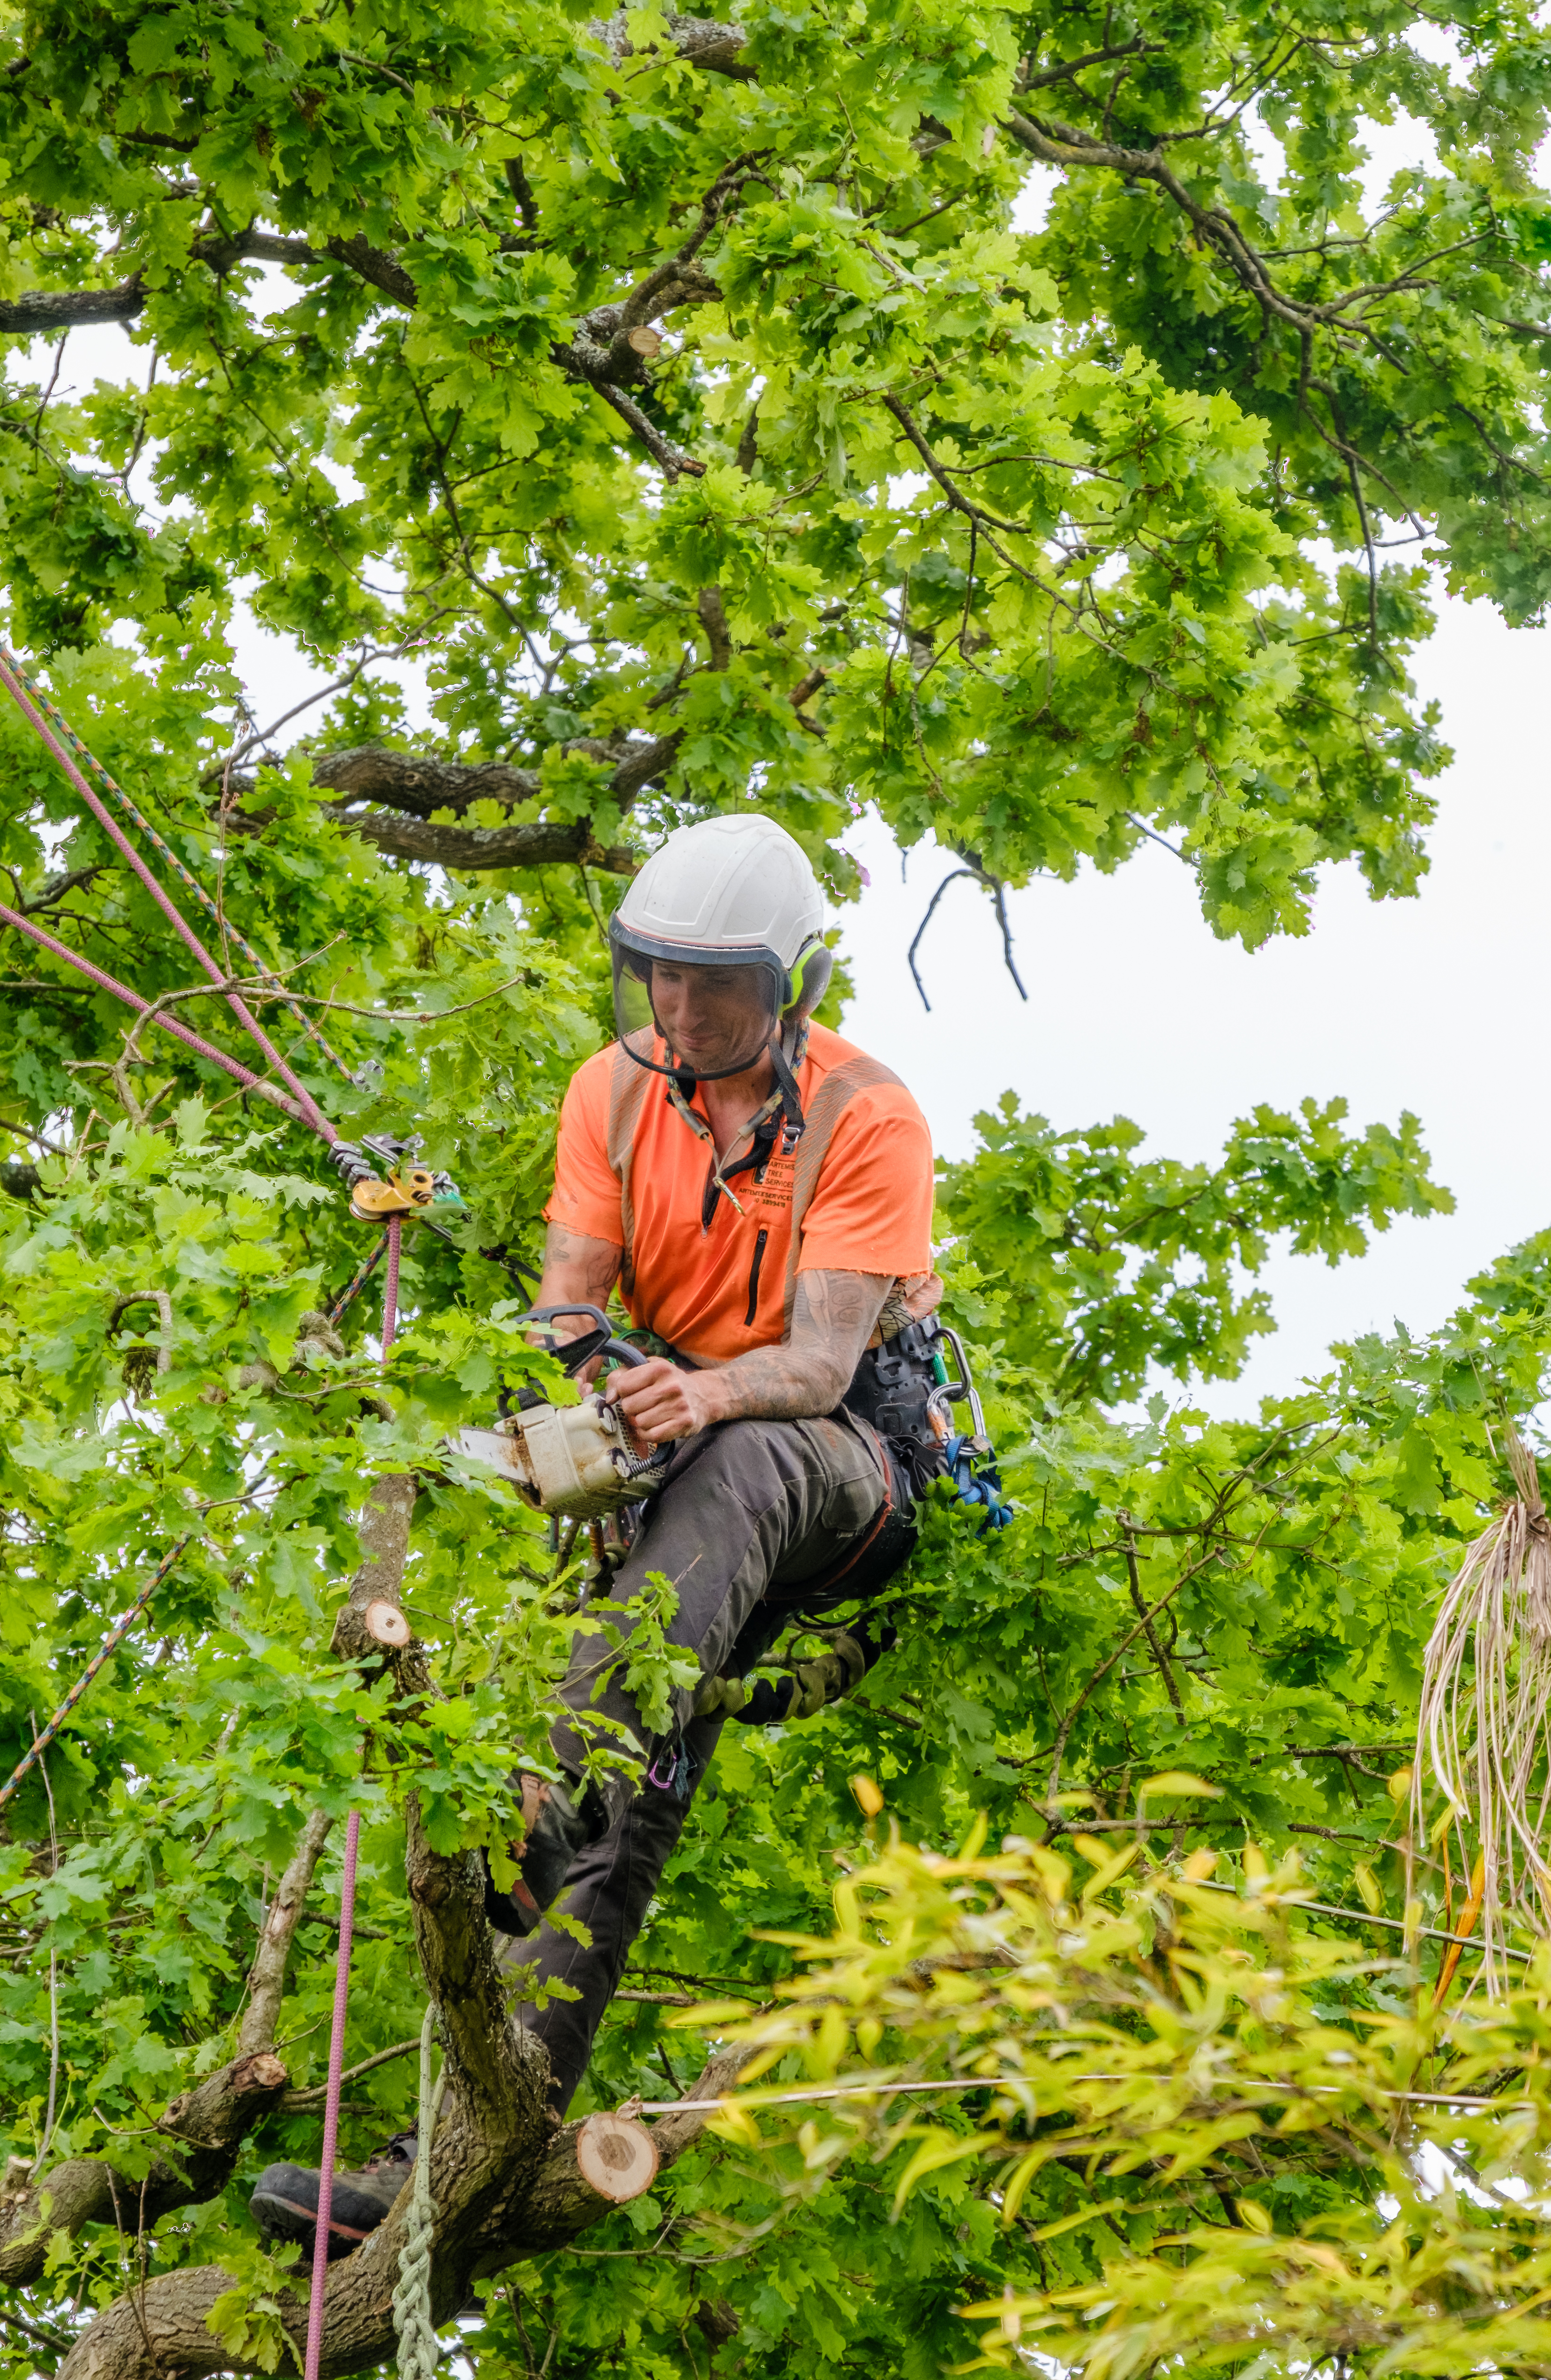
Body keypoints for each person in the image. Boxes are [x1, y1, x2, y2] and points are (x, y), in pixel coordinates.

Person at [253, 813, 941, 2257]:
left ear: (789, 986)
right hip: (682, 1467)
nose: (681, 1012)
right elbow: (566, 1305)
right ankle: (451, 2159)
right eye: (659, 979)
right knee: (648, 1761)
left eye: (716, 986)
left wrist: (690, 1397)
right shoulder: (612, 1093)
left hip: (836, 1470)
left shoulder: (869, 1115)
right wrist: (590, 1399)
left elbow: (813, 1371)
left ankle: (538, 1795)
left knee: (745, 1458)